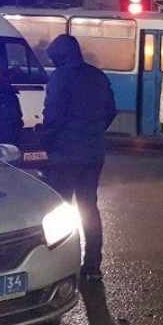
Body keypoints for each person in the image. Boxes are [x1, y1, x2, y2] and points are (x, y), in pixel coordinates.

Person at [41, 34, 116, 282]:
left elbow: (53, 117)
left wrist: (45, 139)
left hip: (63, 155)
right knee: (89, 208)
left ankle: (62, 265)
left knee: (60, 211)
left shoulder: (60, 77)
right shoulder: (97, 75)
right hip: (94, 154)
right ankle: (92, 265)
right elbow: (110, 111)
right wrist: (92, 132)